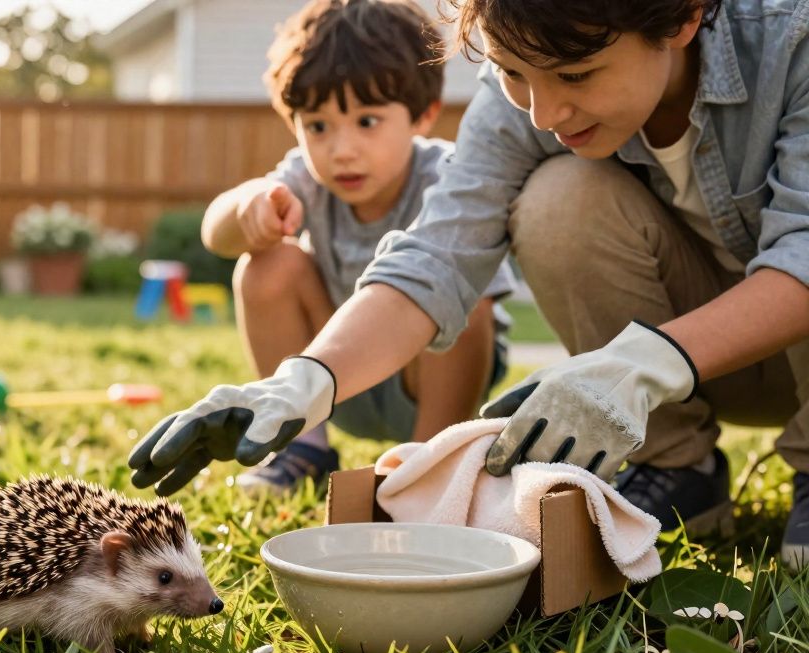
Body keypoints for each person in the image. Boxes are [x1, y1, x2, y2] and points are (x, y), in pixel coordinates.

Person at [129, 0, 809, 570]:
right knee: (559, 198)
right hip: (696, 376)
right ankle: (678, 470)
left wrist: (642, 363)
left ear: (683, 17)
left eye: (576, 73)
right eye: (512, 72)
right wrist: (305, 379)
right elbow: (438, 254)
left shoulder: (793, 39)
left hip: (780, 357)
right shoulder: (533, 87)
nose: (542, 112)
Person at [200, 0, 513, 492]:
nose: (342, 150)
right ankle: (301, 449)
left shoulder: (448, 177)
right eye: (317, 126)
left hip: (430, 377)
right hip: (331, 375)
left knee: (462, 296)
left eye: (367, 122)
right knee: (267, 264)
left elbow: (477, 302)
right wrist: (247, 209)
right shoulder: (303, 181)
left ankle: (431, 464)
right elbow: (215, 235)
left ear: (423, 115)